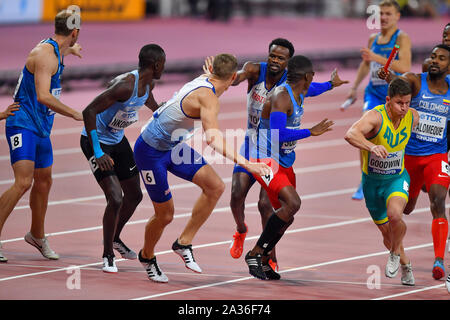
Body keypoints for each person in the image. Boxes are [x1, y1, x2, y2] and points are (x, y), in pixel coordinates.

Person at [133, 53, 270, 283]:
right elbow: (214, 140)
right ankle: (147, 256)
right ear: (233, 77)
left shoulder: (206, 78)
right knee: (165, 215)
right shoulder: (209, 99)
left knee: (215, 186)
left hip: (172, 146)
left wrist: (212, 70)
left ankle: (183, 242)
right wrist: (248, 164)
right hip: (149, 152)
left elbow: (218, 75)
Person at [212, 38, 347, 270]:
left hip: (275, 153)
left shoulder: (293, 84)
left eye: (280, 58)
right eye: (272, 55)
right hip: (253, 145)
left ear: (288, 63)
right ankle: (241, 230)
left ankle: (269, 257)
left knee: (268, 206)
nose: (274, 60)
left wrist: (330, 85)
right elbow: (239, 77)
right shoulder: (256, 70)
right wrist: (222, 78)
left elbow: (310, 88)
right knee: (236, 194)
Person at [0, 10, 83, 263]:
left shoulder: (56, 49)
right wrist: (75, 114)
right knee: (23, 182)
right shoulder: (45, 55)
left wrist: (71, 50)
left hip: (41, 127)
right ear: (74, 32)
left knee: (44, 180)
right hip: (22, 123)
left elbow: (59, 51)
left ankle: (36, 235)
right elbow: (43, 97)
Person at [244, 55, 334, 280]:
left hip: (284, 162)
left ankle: (264, 260)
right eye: (312, 76)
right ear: (307, 76)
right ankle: (255, 253)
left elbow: (315, 89)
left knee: (287, 215)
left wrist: (333, 84)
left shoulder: (300, 91)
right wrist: (310, 131)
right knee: (293, 203)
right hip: (265, 160)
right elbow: (278, 134)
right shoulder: (281, 97)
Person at [80, 44, 166, 273]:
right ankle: (108, 254)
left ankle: (115, 238)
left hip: (117, 140)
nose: (164, 69)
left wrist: (160, 110)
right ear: (156, 64)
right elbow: (88, 112)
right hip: (95, 141)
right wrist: (98, 153)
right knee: (115, 198)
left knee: (135, 195)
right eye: (163, 65)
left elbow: (147, 100)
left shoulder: (149, 83)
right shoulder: (125, 85)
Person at [379, 44, 450, 280]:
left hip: (436, 156)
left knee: (438, 201)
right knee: (404, 210)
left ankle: (439, 260)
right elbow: (400, 85)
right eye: (432, 56)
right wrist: (390, 78)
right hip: (409, 157)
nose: (434, 61)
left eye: (441, 58)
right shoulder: (416, 81)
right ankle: (397, 252)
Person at [345, 78, 418, 286]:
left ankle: (394, 253)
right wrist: (371, 146)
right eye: (399, 103)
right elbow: (350, 134)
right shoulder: (375, 117)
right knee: (387, 233)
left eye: (407, 103)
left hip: (397, 178)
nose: (404, 108)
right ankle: (406, 264)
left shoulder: (413, 117)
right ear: (388, 100)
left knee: (395, 215)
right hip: (372, 183)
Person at [344, 0, 411, 200]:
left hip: (394, 96)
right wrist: (355, 87)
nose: (383, 17)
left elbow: (404, 66)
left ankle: (393, 176)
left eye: (388, 13)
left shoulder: (402, 38)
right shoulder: (373, 38)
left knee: (396, 136)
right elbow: (366, 65)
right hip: (373, 93)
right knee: (364, 130)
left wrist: (376, 57)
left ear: (397, 16)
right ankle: (364, 178)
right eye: (381, 13)